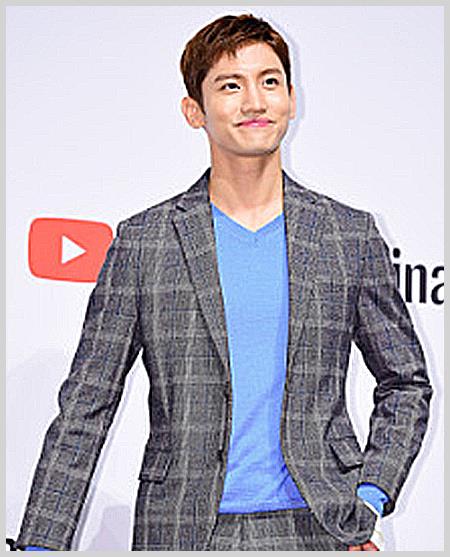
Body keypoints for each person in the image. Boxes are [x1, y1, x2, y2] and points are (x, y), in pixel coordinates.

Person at [16, 13, 432, 551]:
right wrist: (41, 544)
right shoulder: (145, 241)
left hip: (322, 526)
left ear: (292, 99)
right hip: (181, 529)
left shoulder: (347, 234)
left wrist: (370, 496)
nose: (255, 102)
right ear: (195, 110)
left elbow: (405, 382)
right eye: (231, 86)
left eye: (270, 81)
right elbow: (86, 405)